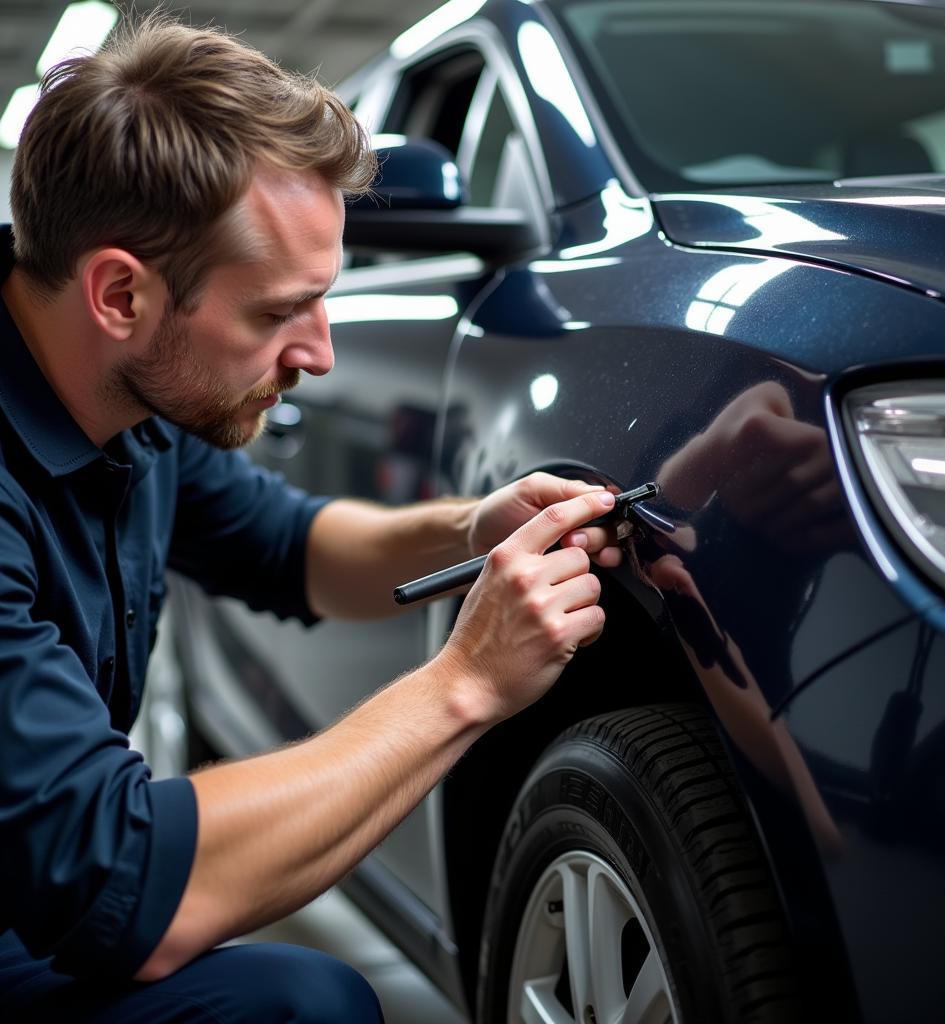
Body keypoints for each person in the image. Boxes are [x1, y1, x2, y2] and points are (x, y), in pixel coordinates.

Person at [0, 15, 622, 1022]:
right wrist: (465, 682)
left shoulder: (130, 394)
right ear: (120, 293)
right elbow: (122, 890)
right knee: (305, 1008)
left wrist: (470, 529)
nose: (319, 353)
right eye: (276, 312)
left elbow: (294, 549)